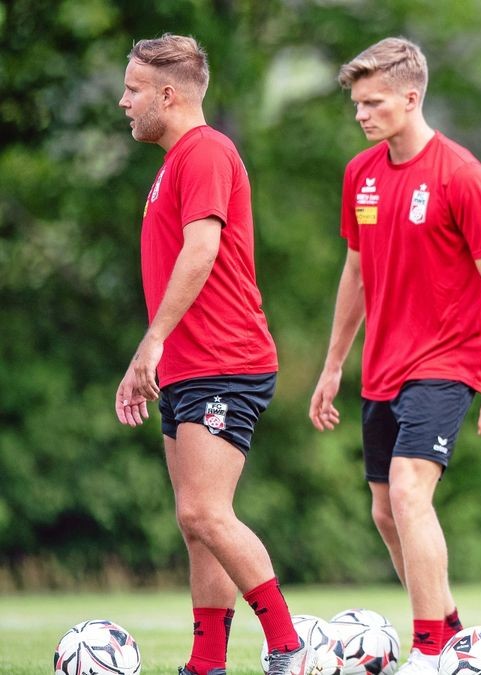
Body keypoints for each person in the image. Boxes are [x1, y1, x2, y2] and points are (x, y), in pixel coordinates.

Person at [308, 36, 481, 675]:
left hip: (447, 363)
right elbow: (354, 273)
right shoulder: (361, 174)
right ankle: (452, 628)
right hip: (381, 368)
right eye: (356, 103)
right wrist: (332, 364)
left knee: (407, 491)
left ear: (410, 96)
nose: (361, 115)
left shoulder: (463, 175)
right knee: (384, 509)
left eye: (373, 103)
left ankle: (429, 650)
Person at [115, 34, 312, 675]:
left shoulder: (205, 152)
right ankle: (206, 664)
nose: (124, 101)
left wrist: (153, 340)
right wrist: (151, 360)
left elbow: (200, 253)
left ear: (167, 95)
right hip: (191, 365)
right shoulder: (174, 163)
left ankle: (289, 647)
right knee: (193, 521)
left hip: (226, 360)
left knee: (206, 511)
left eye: (134, 89)